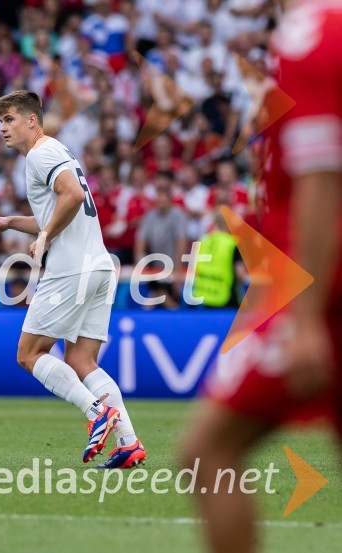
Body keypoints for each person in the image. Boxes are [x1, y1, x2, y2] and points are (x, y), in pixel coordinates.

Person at [183, 2, 342, 552]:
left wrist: (306, 317)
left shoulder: (313, 32)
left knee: (208, 451)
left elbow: (322, 181)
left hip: (326, 286)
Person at [0, 90, 146, 468]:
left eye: (9, 119)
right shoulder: (55, 152)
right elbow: (62, 208)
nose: (3, 128)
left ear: (32, 120)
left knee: (28, 354)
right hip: (98, 265)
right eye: (0, 121)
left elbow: (70, 195)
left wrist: (45, 236)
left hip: (71, 268)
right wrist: (12, 222)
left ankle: (97, 412)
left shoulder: (41, 153)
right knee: (81, 359)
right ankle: (129, 443)